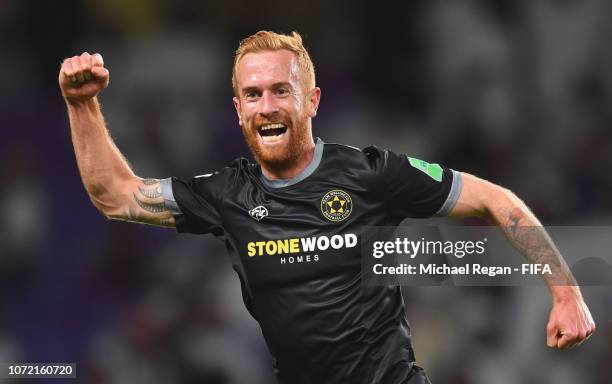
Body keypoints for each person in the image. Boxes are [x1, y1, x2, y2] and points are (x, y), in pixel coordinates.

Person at [59, 31, 595, 384]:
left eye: (279, 90)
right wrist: (81, 105)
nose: (265, 105)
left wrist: (565, 291)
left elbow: (494, 199)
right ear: (237, 109)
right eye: (251, 94)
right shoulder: (226, 194)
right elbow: (117, 195)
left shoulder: (371, 172)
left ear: (311, 101)